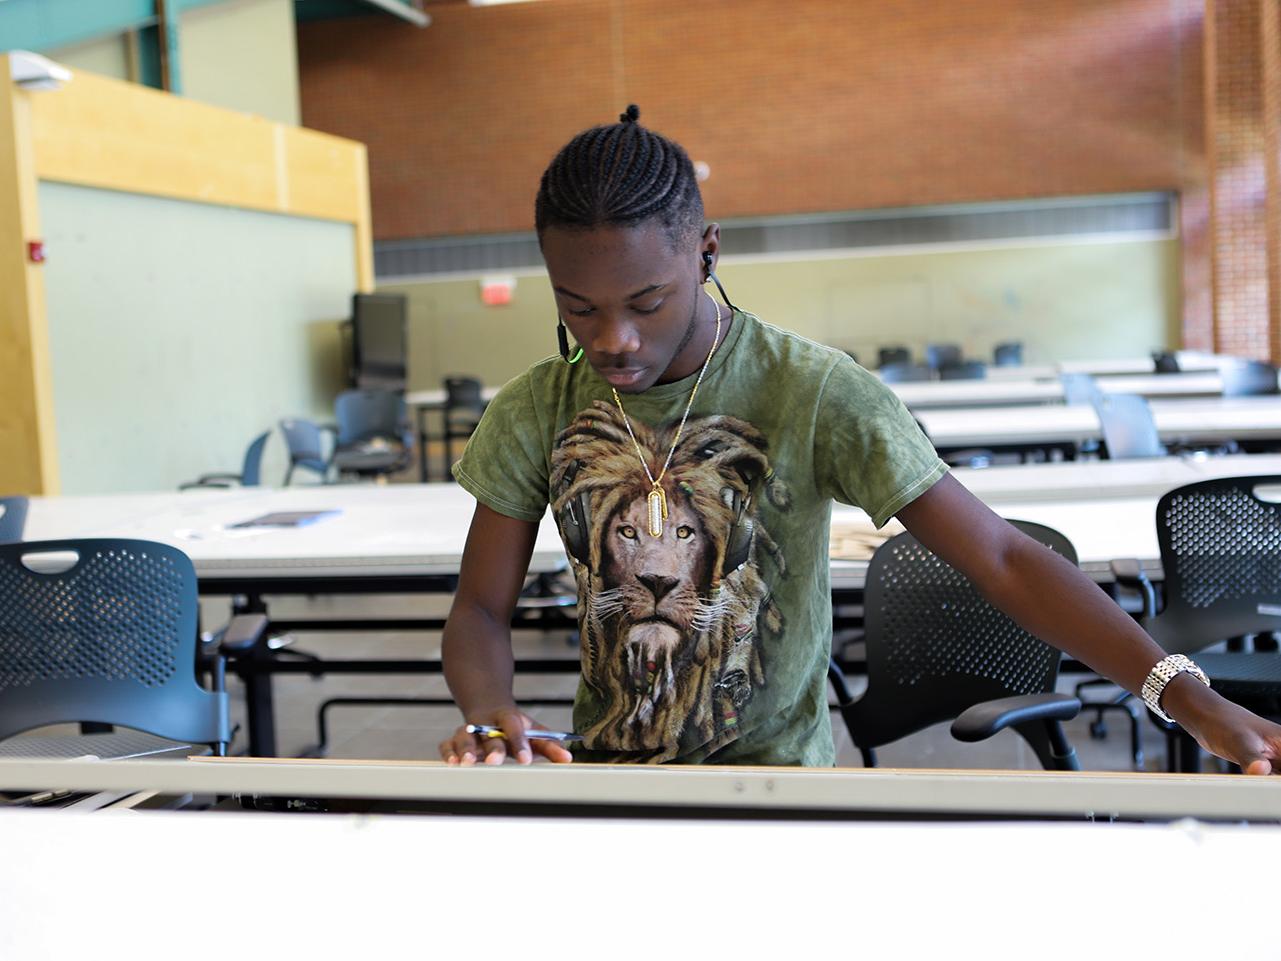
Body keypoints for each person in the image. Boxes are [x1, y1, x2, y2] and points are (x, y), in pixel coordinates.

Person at [439, 105, 1281, 772]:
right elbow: (479, 607)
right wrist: (487, 711)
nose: (612, 337)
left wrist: (1182, 694)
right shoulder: (537, 407)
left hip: (774, 784)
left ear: (704, 253)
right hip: (601, 778)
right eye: (578, 306)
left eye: (645, 301)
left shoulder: (811, 391)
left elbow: (1001, 557)